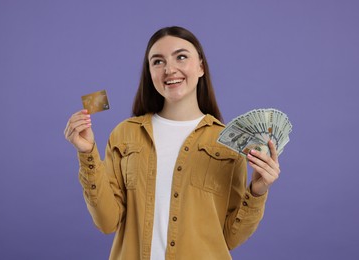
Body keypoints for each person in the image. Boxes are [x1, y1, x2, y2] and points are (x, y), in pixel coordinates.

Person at [64, 26, 281, 260]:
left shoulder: (228, 142)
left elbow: (229, 237)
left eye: (181, 57)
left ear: (200, 67)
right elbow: (107, 222)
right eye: (157, 61)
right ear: (150, 73)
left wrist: (258, 191)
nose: (169, 69)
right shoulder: (124, 135)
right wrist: (87, 154)